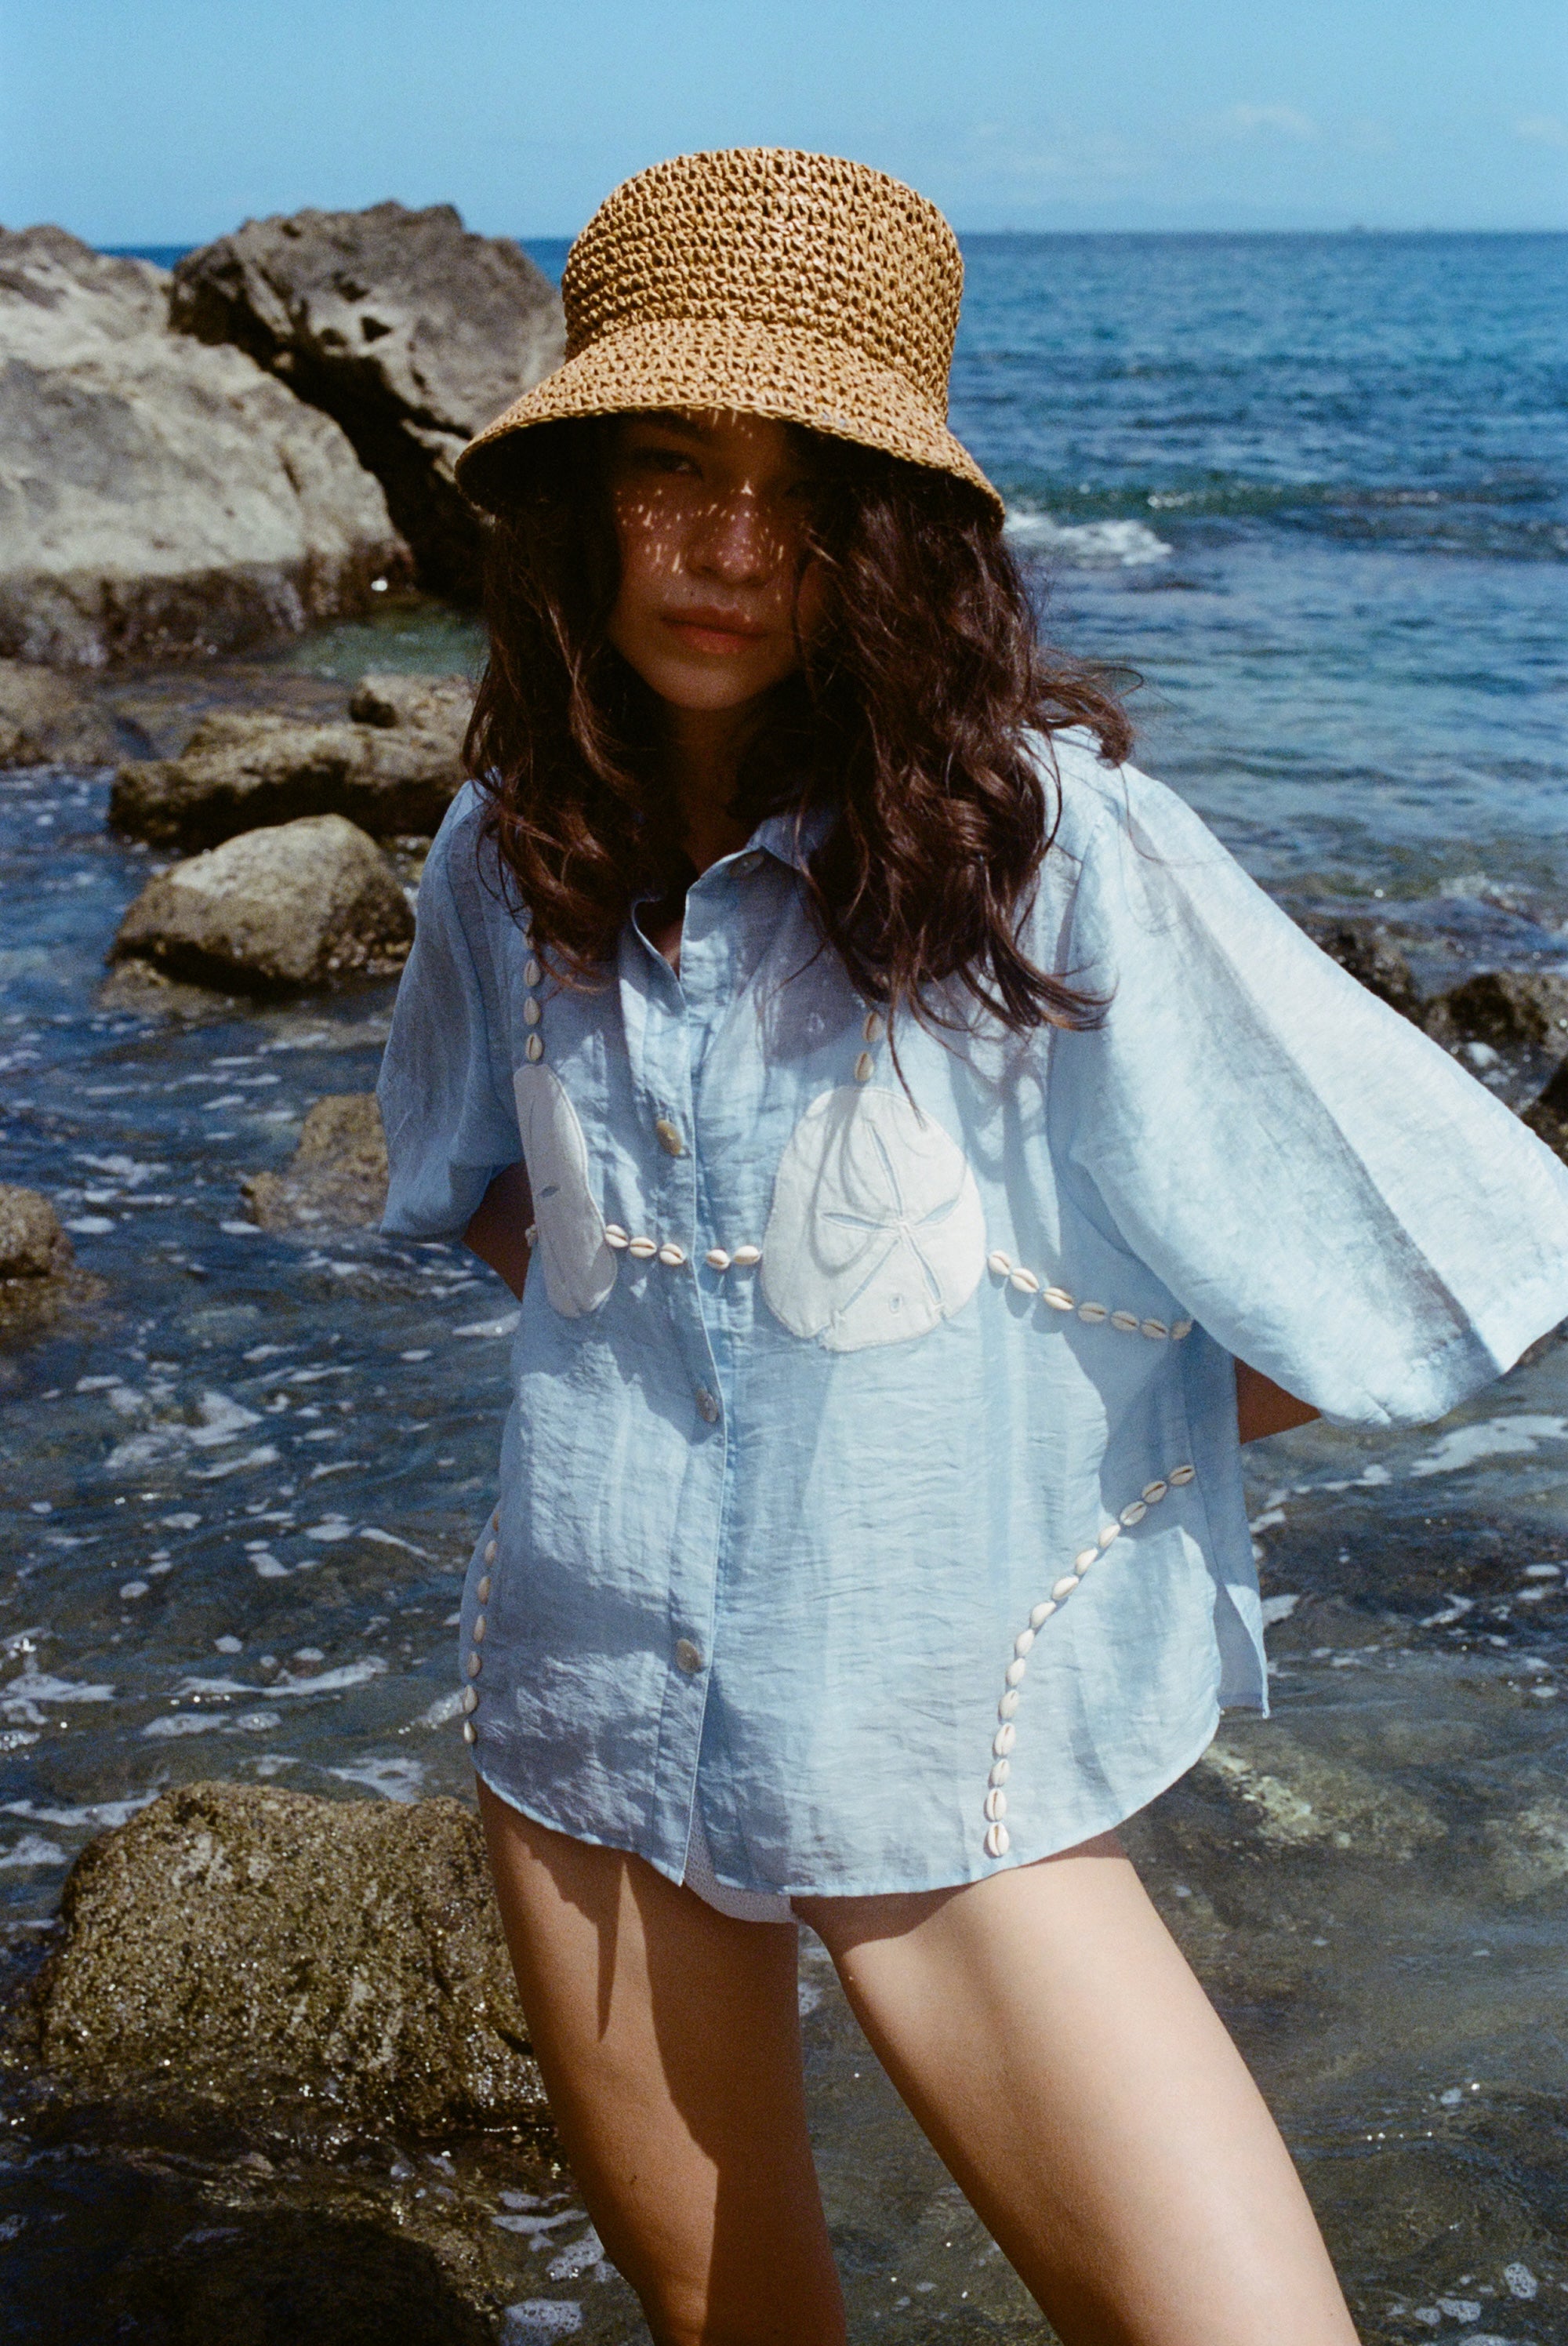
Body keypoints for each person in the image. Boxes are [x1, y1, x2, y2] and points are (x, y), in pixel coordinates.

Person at [378, 148, 1568, 2346]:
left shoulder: (1047, 854)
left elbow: (1458, 1237)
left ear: (892, 536)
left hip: (959, 1760)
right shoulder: (497, 857)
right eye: (671, 467)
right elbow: (498, 1201)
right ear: (578, 497)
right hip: (586, 1734)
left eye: (803, 490)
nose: (734, 547)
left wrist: (1094, 1447)